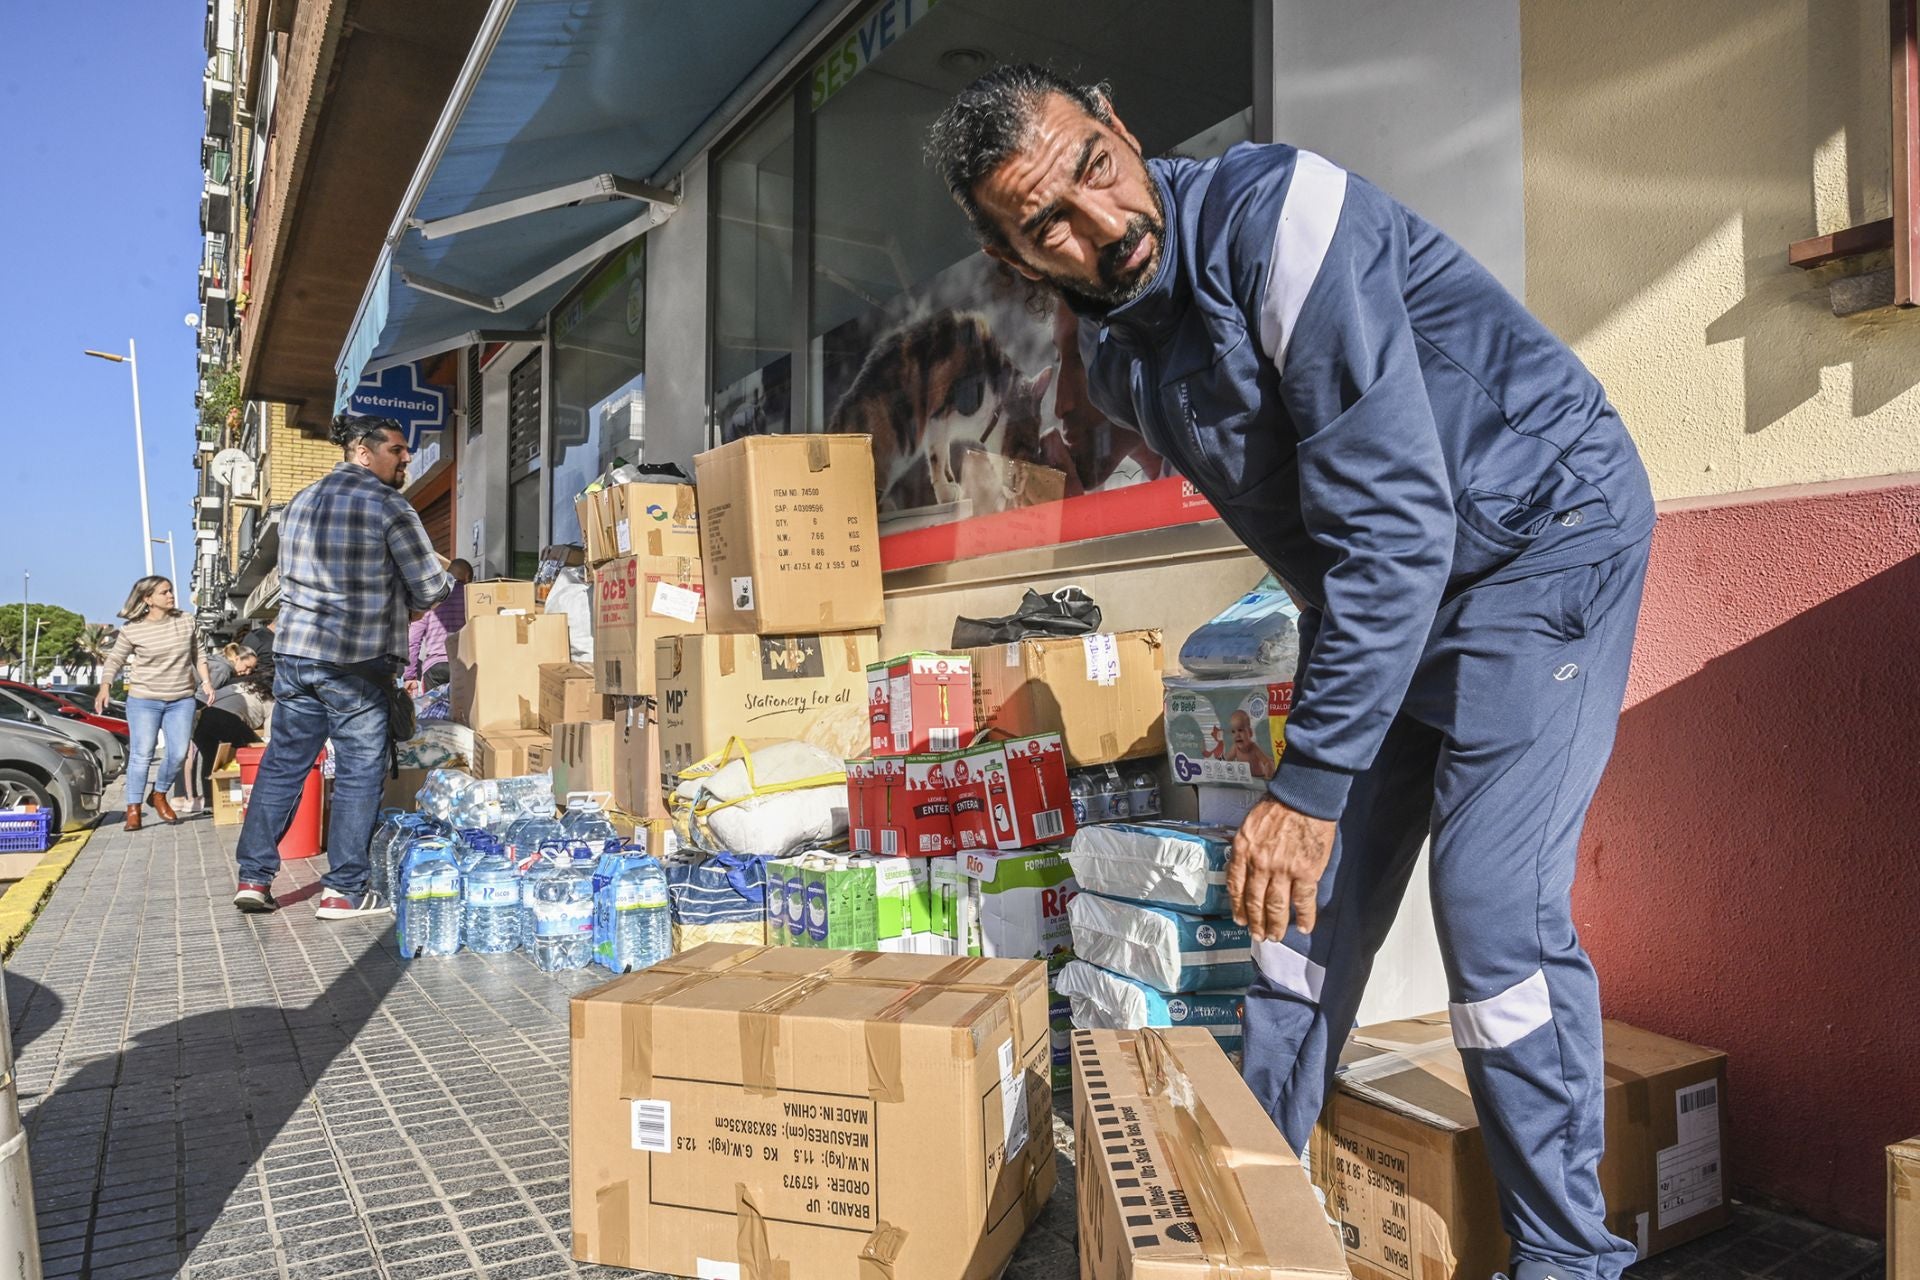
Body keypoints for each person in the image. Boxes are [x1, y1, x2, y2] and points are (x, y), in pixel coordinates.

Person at [928, 67, 1655, 1280]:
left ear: (1124, 124)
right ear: (1017, 260)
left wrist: (1312, 782)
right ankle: (1232, 1224)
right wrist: (1309, 789)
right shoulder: (1125, 366)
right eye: (1048, 221)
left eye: (1095, 169)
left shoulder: (1287, 224)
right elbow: (1330, 537)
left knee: (1493, 918)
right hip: (1386, 586)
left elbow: (1397, 522)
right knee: (1291, 913)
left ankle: (1571, 1259)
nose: (1103, 225)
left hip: (1539, 542)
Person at [233, 415, 451, 918]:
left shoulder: (299, 503)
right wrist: (431, 584)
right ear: (361, 450)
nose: (405, 459)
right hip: (356, 661)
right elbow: (429, 588)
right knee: (358, 771)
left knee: (284, 764)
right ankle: (343, 890)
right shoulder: (389, 505)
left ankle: (254, 877)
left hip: (296, 656)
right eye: (396, 449)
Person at [97, 577, 217, 831]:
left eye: (171, 590)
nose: (171, 595)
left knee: (177, 753)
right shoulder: (133, 629)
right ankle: (134, 809)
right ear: (147, 599)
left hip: (181, 699)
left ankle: (159, 793)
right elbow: (115, 660)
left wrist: (206, 682)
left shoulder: (185, 621)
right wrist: (105, 686)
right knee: (142, 754)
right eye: (164, 592)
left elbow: (199, 654)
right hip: (144, 700)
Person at [190, 644, 265, 801]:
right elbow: (204, 696)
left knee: (210, 755)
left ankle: (211, 802)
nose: (248, 671)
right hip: (200, 711)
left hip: (193, 715)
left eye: (251, 669)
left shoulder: (215, 662)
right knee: (243, 744)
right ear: (237, 658)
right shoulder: (223, 670)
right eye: (246, 666)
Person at [403, 558, 472, 692]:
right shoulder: (471, 597)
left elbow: (413, 639)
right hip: (464, 665)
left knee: (434, 711)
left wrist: (409, 676)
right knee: (464, 712)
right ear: (467, 576)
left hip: (435, 668)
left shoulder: (432, 597)